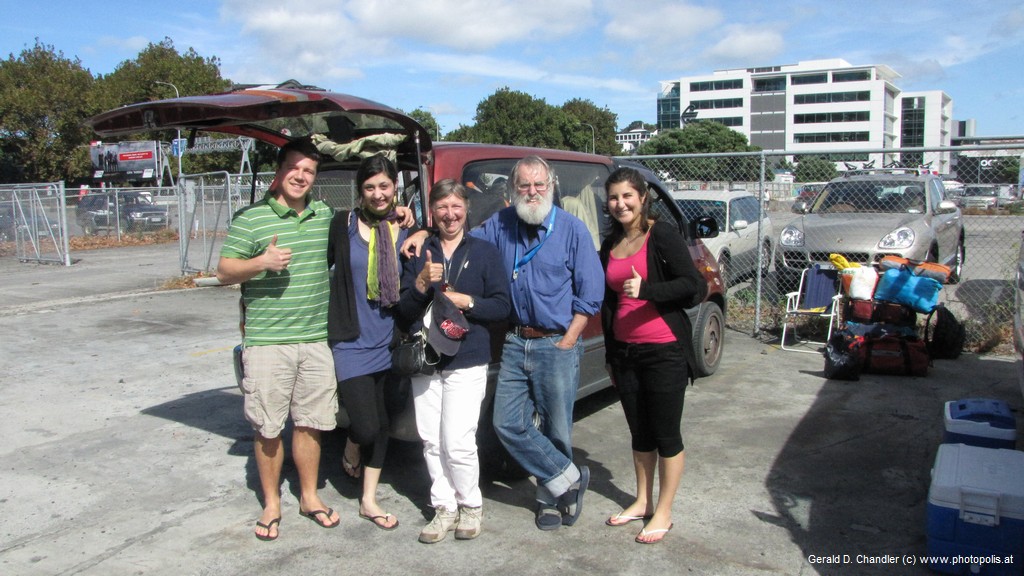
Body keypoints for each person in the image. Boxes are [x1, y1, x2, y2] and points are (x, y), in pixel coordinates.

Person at [403, 155, 604, 531]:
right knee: (506, 423)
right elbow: (457, 234)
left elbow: (591, 295)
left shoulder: (573, 230)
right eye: (524, 186)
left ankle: (550, 499)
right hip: (515, 340)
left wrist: (570, 339)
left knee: (556, 428)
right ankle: (570, 478)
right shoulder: (501, 224)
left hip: (556, 341)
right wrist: (423, 232)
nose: (532, 192)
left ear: (551, 185)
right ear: (512, 191)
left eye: (539, 185)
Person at [217, 138, 341, 541]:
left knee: (311, 425)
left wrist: (406, 217)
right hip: (268, 341)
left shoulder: (324, 214)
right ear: (279, 172)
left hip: (315, 339)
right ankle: (271, 503)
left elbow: (369, 224)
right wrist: (261, 263)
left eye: (309, 171)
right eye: (294, 168)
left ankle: (309, 497)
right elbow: (223, 271)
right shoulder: (250, 219)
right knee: (269, 428)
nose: (301, 176)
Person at [396, 179, 511, 543]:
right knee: (430, 440)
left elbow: (502, 306)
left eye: (456, 206)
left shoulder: (485, 252)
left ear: (466, 209)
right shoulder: (417, 252)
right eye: (442, 207)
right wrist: (419, 286)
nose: (450, 214)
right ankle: (443, 507)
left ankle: (470, 505)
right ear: (433, 211)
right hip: (427, 358)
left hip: (468, 357)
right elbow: (401, 311)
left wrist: (468, 302)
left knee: (458, 440)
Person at [598, 167, 707, 544]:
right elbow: (610, 303)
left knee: (665, 434)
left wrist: (648, 290)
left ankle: (664, 510)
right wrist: (611, 354)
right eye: (613, 197)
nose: (620, 204)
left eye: (627, 196)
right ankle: (642, 501)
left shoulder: (660, 234)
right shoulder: (611, 242)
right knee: (639, 433)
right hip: (626, 352)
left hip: (663, 351)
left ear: (643, 197)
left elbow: (693, 286)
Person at [327, 153, 412, 531]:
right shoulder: (342, 224)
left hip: (389, 340)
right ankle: (350, 446)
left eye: (384, 186)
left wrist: (420, 228)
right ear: (359, 191)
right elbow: (317, 267)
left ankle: (368, 500)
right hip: (350, 341)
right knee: (364, 427)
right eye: (370, 187)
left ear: (395, 187)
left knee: (383, 424)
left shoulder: (406, 227)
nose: (378, 194)